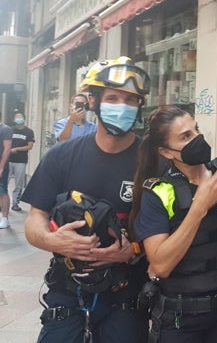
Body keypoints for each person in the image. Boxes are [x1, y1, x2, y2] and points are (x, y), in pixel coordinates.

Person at [22, 56, 151, 343]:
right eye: (114, 98)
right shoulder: (62, 156)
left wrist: (133, 249)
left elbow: (172, 229)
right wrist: (53, 241)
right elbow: (35, 219)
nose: (123, 106)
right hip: (68, 293)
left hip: (127, 296)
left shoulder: (153, 162)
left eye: (131, 100)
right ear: (93, 101)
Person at [129, 105, 217, 343]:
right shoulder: (159, 192)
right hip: (180, 320)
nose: (197, 139)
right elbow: (160, 265)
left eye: (196, 129)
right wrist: (199, 207)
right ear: (166, 152)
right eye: (185, 136)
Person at [9, 111, 35, 212]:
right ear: (14, 119)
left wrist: (16, 149)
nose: (18, 118)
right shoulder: (10, 130)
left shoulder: (29, 131)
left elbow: (30, 146)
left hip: (21, 161)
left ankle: (15, 203)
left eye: (20, 116)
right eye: (16, 117)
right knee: (3, 183)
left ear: (24, 118)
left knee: (18, 183)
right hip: (8, 160)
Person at [0, 116, 12, 229]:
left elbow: (7, 149)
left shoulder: (5, 129)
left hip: (1, 164)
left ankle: (5, 218)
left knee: (2, 190)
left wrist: (1, 167)